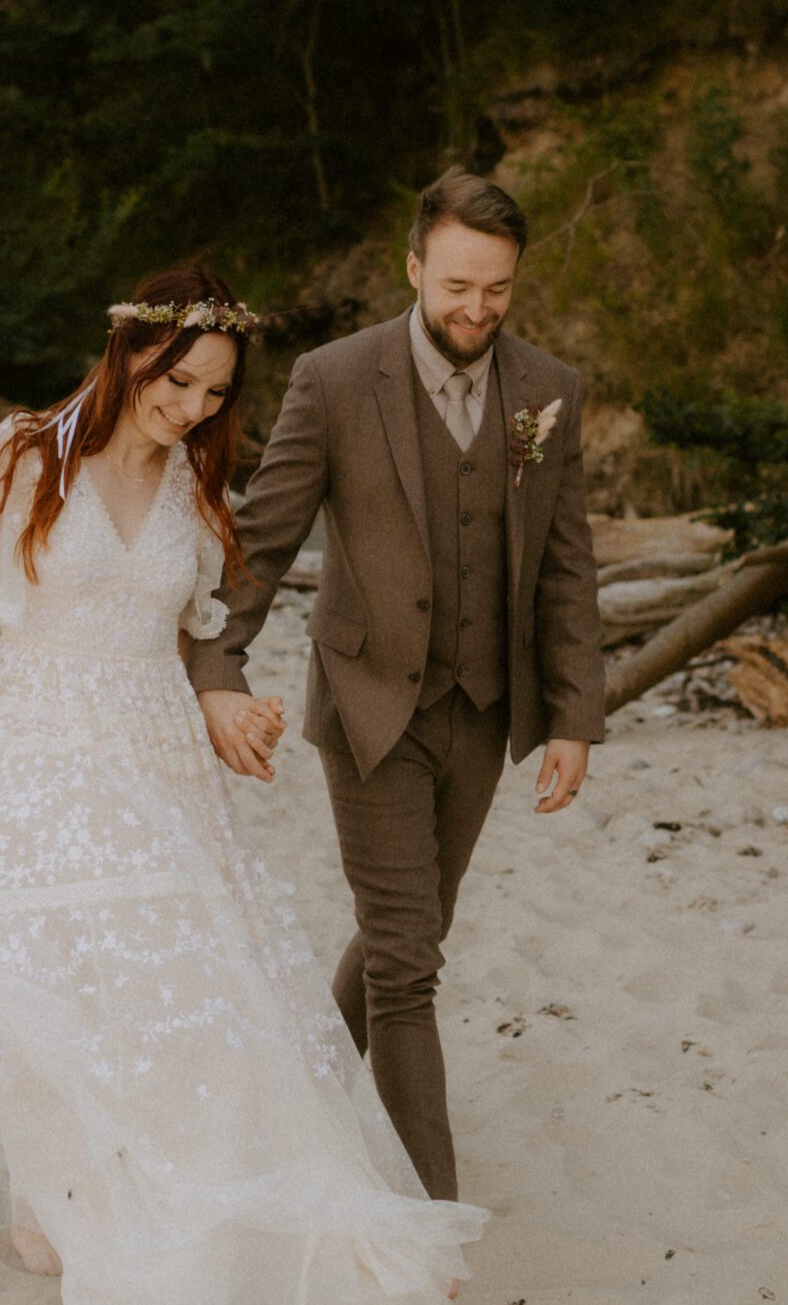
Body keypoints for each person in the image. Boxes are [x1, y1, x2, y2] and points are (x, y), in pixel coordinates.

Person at [0, 265, 483, 1305]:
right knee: (80, 1004)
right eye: (178, 382)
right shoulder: (25, 453)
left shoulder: (195, 487)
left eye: (215, 392)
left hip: (158, 765)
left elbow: (196, 636)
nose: (192, 407)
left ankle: (138, 1242)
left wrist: (227, 706)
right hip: (42, 756)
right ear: (130, 353)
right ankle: (93, 1240)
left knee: (185, 1003)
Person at [186, 169, 605, 1208]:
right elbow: (262, 540)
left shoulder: (547, 388)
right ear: (413, 265)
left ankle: (302, 1094)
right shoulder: (335, 379)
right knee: (409, 961)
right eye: (457, 284)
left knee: (403, 930)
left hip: (484, 711)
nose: (477, 308)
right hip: (369, 704)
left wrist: (573, 716)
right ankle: (430, 1211)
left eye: (497, 288)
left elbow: (565, 565)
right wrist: (219, 665)